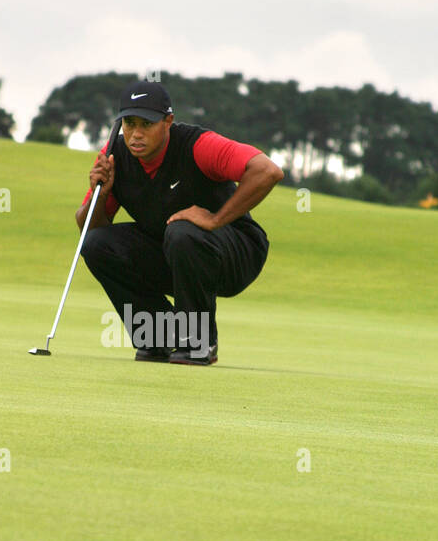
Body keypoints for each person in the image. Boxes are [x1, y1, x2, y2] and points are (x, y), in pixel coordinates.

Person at [76, 78, 283, 365]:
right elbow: (91, 229)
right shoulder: (114, 156)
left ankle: (198, 342)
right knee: (96, 243)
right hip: (177, 253)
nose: (136, 134)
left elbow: (267, 171)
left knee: (183, 231)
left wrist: (215, 219)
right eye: (129, 123)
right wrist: (102, 194)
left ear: (168, 121)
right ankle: (159, 336)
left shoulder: (199, 145)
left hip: (237, 253)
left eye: (146, 124)